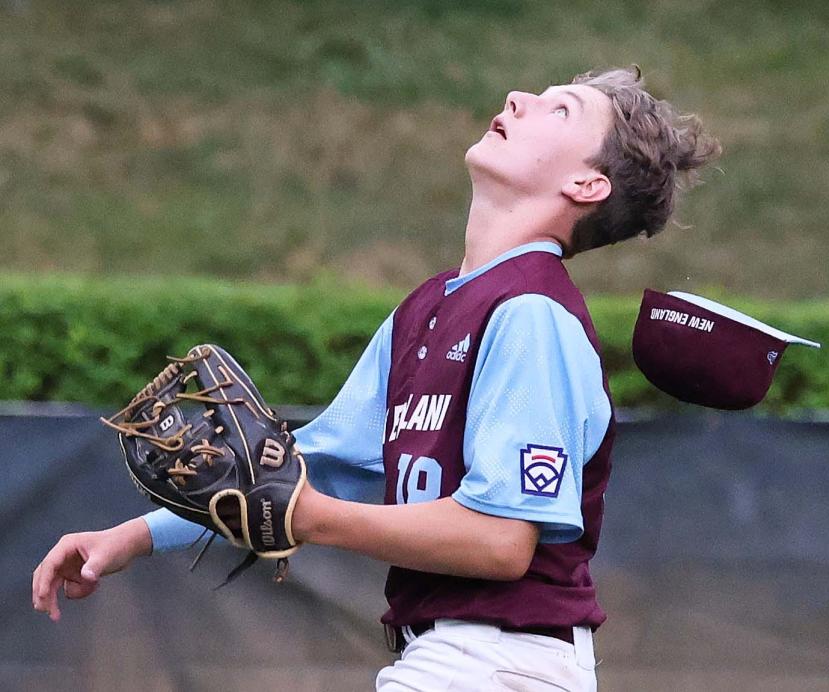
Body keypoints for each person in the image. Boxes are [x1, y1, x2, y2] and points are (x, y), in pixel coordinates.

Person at [32, 66, 719, 691]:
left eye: (560, 110)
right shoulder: (426, 309)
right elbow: (309, 471)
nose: (518, 97)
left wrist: (314, 519)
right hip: (451, 660)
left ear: (587, 185)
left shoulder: (531, 313)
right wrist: (132, 537)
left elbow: (502, 541)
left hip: (504, 662)